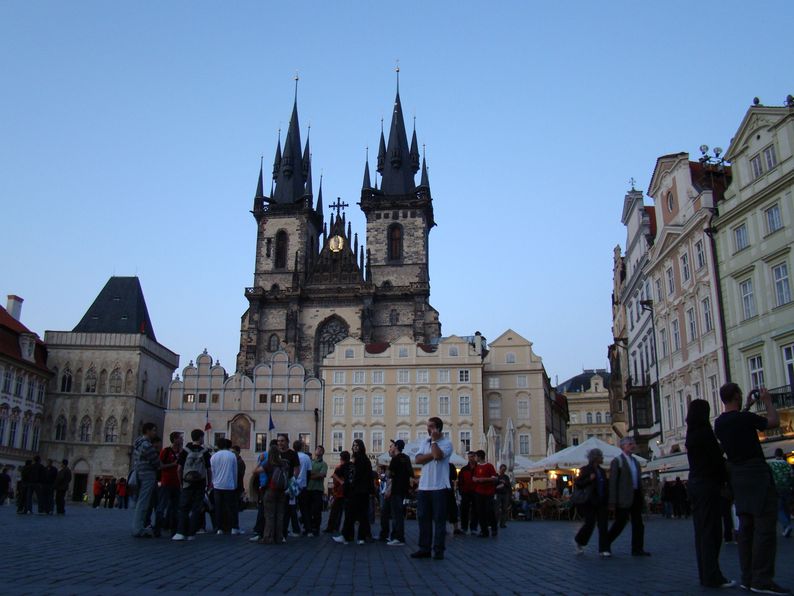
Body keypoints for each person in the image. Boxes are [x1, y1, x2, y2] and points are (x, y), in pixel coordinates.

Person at [715, 384, 788, 594]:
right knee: (764, 527)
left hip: (737, 476)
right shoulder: (745, 419)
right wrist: (768, 402)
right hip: (756, 473)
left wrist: (747, 406)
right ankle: (762, 578)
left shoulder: (719, 423)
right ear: (736, 396)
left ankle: (747, 577)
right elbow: (773, 422)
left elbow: (737, 419)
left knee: (745, 527)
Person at [685, 399, 735, 588]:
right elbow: (716, 460)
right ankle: (713, 575)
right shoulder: (705, 433)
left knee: (702, 532)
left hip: (695, 483)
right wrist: (725, 480)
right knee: (712, 532)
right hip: (708, 484)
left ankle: (705, 574)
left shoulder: (691, 434)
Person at [411, 417, 453, 560]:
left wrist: (434, 443)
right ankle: (424, 548)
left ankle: (439, 550)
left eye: (431, 426)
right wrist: (432, 454)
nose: (428, 429)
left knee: (439, 520)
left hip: (439, 487)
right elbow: (418, 460)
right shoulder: (424, 442)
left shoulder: (447, 443)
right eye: (428, 426)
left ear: (438, 428)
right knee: (423, 519)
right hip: (424, 487)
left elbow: (438, 455)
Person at [605, 436, 649, 556]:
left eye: (633, 444)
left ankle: (637, 548)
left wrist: (642, 497)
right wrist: (612, 501)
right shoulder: (617, 461)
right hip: (623, 497)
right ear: (623, 446)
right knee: (620, 523)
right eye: (630, 444)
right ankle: (606, 543)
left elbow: (638, 480)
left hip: (636, 495)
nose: (633, 446)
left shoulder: (635, 461)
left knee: (638, 524)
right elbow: (613, 482)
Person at [172, 429, 212, 542]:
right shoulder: (205, 451)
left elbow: (179, 469)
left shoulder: (185, 450)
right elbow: (209, 469)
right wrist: (209, 483)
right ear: (200, 438)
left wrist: (181, 482)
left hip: (187, 482)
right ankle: (191, 533)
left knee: (183, 507)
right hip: (200, 482)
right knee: (196, 508)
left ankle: (180, 532)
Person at [334, 439, 373, 545]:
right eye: (354, 445)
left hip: (361, 491)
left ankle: (359, 537)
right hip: (354, 491)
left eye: (357, 445)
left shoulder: (364, 460)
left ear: (361, 447)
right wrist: (344, 482)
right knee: (351, 514)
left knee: (360, 515)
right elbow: (343, 473)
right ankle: (349, 536)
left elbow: (367, 476)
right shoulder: (353, 460)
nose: (355, 447)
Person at [573, 447, 609, 557]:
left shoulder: (602, 471)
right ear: (595, 458)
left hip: (601, 501)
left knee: (603, 525)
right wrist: (589, 479)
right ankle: (580, 540)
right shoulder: (585, 470)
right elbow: (578, 483)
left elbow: (605, 486)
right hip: (589, 501)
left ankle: (604, 549)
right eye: (600, 456)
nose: (602, 458)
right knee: (590, 524)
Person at [132, 422, 162, 538]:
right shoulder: (147, 445)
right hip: (147, 475)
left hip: (139, 473)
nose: (155, 432)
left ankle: (138, 527)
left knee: (141, 502)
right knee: (143, 503)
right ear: (147, 431)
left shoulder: (138, 443)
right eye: (153, 430)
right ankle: (138, 529)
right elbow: (156, 462)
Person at [385, 439, 413, 546]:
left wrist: (388, 471)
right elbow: (411, 473)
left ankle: (399, 538)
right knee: (399, 514)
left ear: (396, 446)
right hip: (403, 489)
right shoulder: (407, 458)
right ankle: (395, 536)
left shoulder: (395, 459)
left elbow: (389, 474)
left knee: (396, 514)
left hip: (396, 489)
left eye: (392, 446)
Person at [155, 431, 183, 537]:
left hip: (177, 482)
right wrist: (173, 464)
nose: (181, 440)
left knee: (175, 507)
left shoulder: (182, 452)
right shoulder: (166, 451)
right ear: (174, 439)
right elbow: (160, 466)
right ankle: (157, 528)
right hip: (166, 481)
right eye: (180, 438)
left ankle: (173, 529)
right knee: (162, 506)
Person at [261, 442, 288, 545]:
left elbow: (255, 471)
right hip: (282, 491)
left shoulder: (268, 463)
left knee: (269, 515)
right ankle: (279, 537)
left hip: (271, 490)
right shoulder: (284, 463)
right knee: (280, 515)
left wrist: (261, 461)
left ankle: (268, 537)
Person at [210, 438, 239, 535]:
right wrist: (235, 484)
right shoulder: (232, 455)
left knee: (218, 507)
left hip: (217, 485)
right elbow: (235, 471)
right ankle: (234, 527)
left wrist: (213, 482)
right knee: (231, 507)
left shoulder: (214, 456)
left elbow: (212, 471)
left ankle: (219, 528)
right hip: (229, 485)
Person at [768, 448, 793, 538]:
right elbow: (792, 476)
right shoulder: (787, 464)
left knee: (779, 509)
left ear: (775, 455)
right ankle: (786, 529)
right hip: (786, 488)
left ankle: (786, 525)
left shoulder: (771, 464)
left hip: (776, 489)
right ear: (782, 455)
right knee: (786, 509)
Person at [473, 450, 498, 538]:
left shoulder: (489, 466)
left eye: (476, 456)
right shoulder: (477, 467)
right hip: (479, 492)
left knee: (489, 511)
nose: (475, 458)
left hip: (488, 492)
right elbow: (474, 477)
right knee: (480, 512)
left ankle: (494, 528)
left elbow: (494, 478)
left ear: (479, 457)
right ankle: (484, 531)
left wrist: (483, 479)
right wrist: (475, 479)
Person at [324, 451, 350, 534]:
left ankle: (331, 527)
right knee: (344, 511)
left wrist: (339, 483)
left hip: (339, 492)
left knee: (335, 511)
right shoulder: (350, 467)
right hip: (346, 492)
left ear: (341, 458)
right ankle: (338, 527)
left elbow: (334, 476)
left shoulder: (340, 467)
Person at [307, 445, 328, 537]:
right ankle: (308, 527)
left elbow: (322, 475)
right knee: (308, 510)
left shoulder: (323, 464)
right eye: (317, 449)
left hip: (318, 489)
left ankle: (316, 528)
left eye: (320, 450)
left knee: (317, 510)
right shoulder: (310, 462)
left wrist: (311, 475)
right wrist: (316, 474)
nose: (318, 451)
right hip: (308, 489)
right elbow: (307, 473)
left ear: (323, 453)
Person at [458, 451, 479, 534]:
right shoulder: (464, 469)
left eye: (472, 456)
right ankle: (464, 527)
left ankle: (473, 528)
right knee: (464, 510)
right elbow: (460, 481)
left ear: (475, 457)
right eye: (469, 457)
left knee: (475, 510)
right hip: (465, 492)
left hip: (476, 492)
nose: (471, 458)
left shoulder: (478, 468)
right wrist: (461, 491)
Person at [294, 440, 312, 535]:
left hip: (293, 485)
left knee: (291, 509)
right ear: (301, 447)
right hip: (303, 485)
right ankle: (308, 530)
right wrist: (306, 483)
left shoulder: (292, 456)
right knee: (304, 509)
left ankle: (295, 529)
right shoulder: (306, 457)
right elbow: (309, 472)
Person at [496, 464, 512, 529]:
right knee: (496, 509)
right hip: (498, 494)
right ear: (500, 469)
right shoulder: (497, 476)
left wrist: (504, 483)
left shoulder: (506, 477)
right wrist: (499, 483)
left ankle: (502, 524)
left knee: (504, 509)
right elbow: (494, 484)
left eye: (504, 469)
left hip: (505, 494)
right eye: (502, 469)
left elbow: (509, 486)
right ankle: (495, 523)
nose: (503, 471)